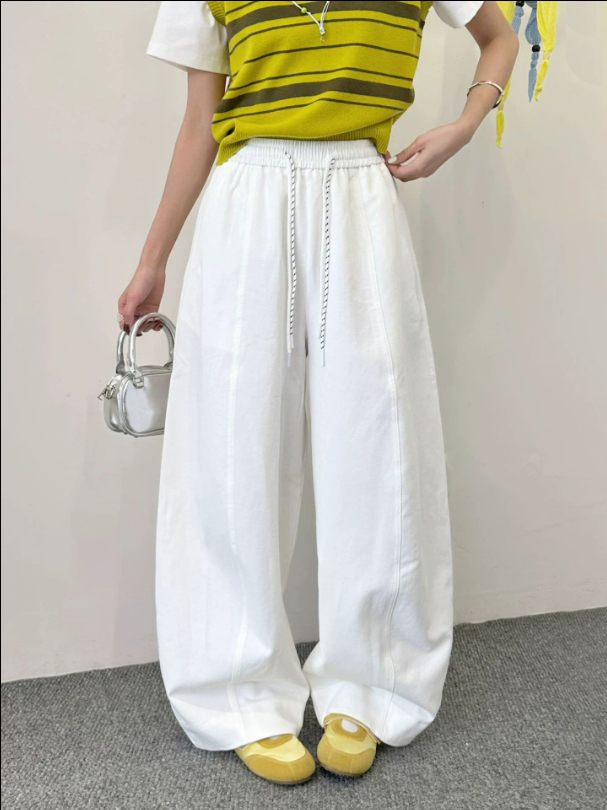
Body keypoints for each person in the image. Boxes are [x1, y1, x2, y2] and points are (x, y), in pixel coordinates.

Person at [118, 0, 518, 786]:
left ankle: (372, 682)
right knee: (231, 450)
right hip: (245, 198)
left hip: (361, 194)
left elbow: (499, 36)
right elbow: (201, 119)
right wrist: (153, 258)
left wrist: (466, 124)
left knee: (377, 446)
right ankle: (237, 689)